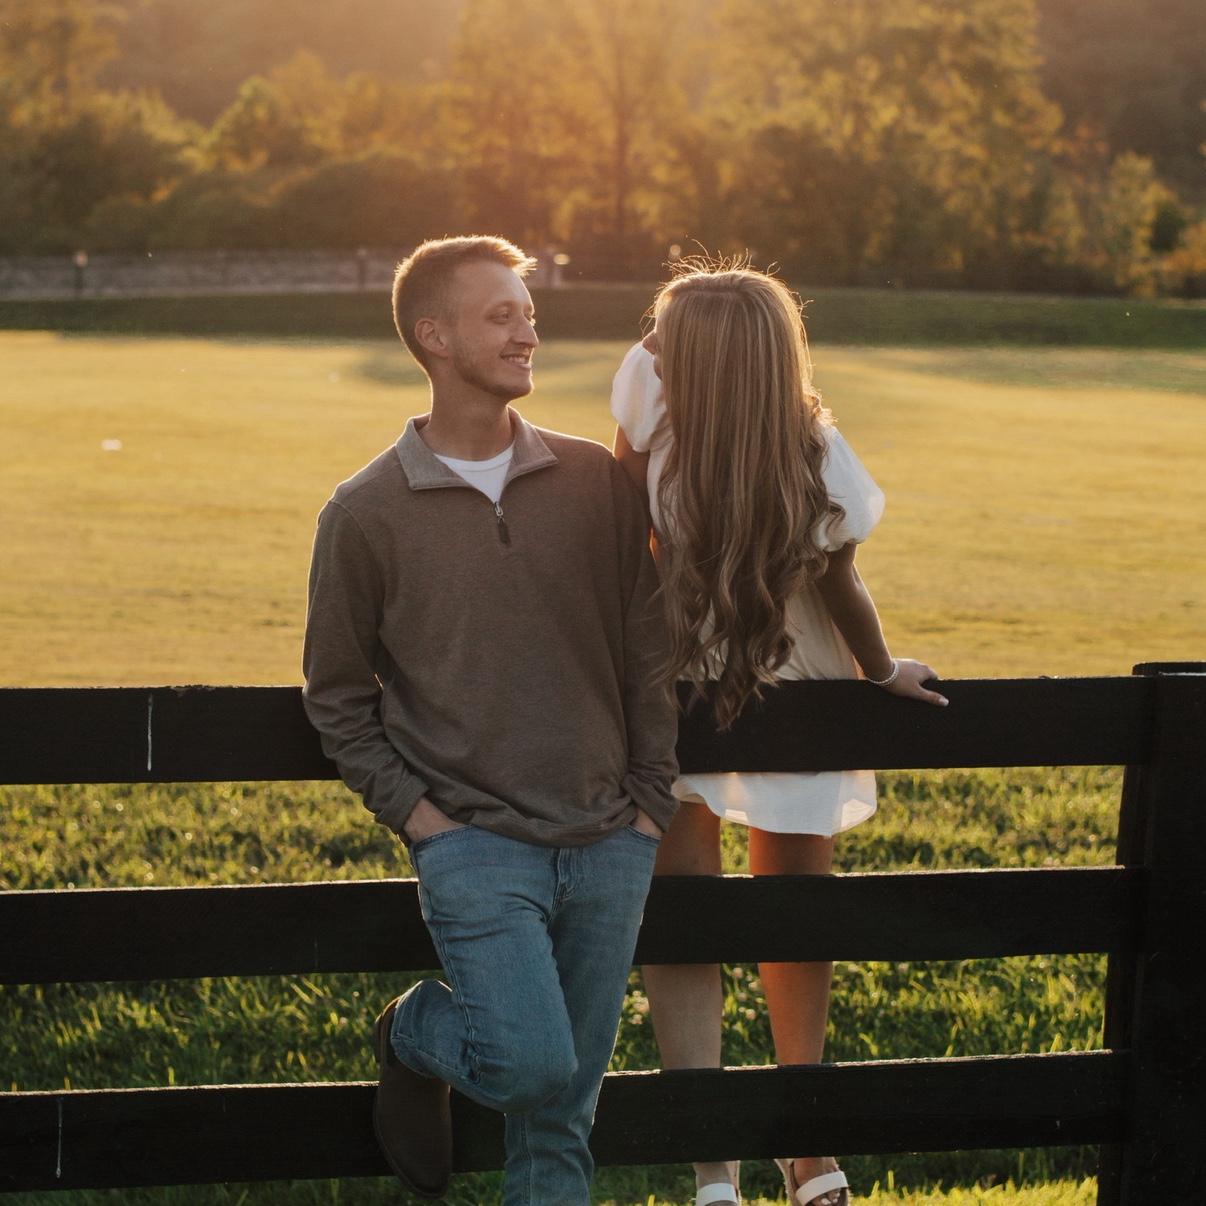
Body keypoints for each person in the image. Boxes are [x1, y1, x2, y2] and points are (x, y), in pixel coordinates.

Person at [303, 235, 678, 1204]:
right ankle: (416, 1032)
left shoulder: (598, 481)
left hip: (610, 836)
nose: (528, 332)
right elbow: (339, 696)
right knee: (530, 1069)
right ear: (433, 337)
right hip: (474, 844)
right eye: (500, 315)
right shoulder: (365, 511)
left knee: (565, 1119)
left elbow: (648, 649)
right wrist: (426, 823)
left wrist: (649, 802)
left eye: (528, 313)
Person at [610, 260, 948, 1206]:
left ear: (684, 361)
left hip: (677, 695)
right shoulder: (817, 451)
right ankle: (807, 1150)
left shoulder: (657, 432)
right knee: (794, 915)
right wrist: (883, 674)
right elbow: (842, 587)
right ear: (778, 355)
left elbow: (619, 523)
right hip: (797, 692)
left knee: (686, 922)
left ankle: (711, 1168)